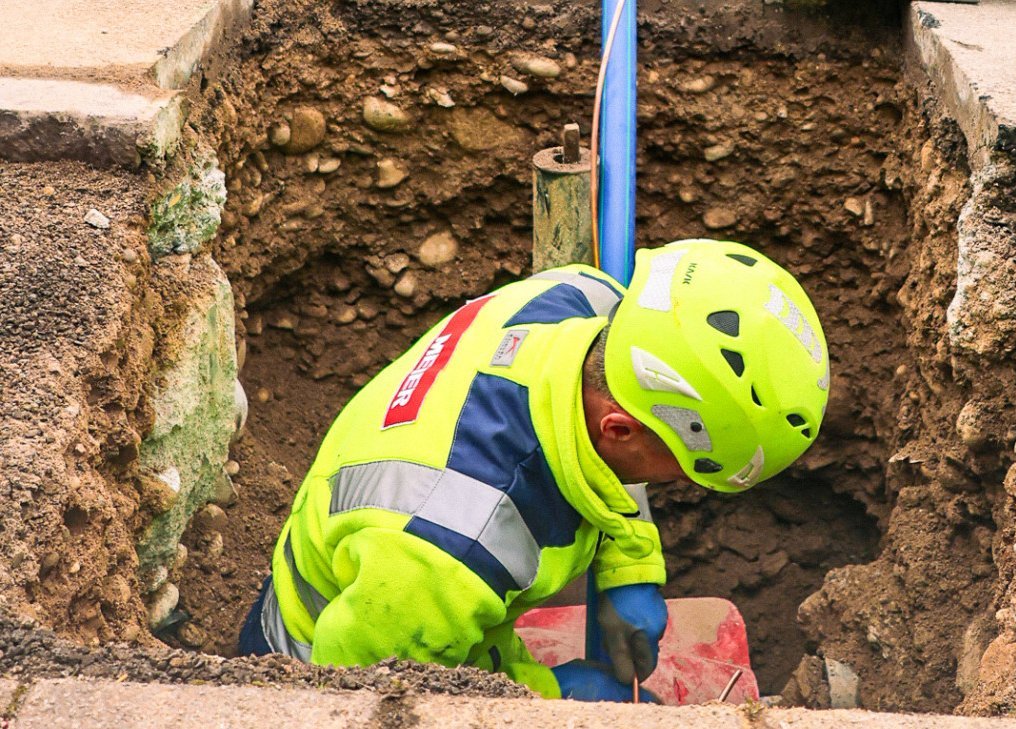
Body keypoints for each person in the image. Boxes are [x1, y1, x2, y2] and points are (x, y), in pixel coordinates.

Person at [238, 238, 830, 701]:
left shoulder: (582, 300)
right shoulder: (451, 545)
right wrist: (546, 696)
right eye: (680, 471)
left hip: (400, 599)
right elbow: (381, 694)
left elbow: (598, 458)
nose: (672, 486)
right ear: (618, 430)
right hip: (308, 670)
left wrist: (630, 561)